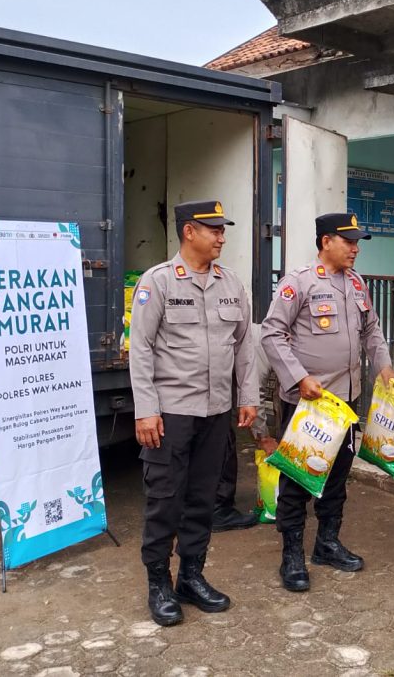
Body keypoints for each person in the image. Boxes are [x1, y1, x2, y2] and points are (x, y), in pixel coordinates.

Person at [130, 200, 258, 627]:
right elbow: (141, 349)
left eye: (223, 230)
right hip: (170, 414)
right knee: (165, 500)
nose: (222, 237)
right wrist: (145, 410)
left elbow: (244, 344)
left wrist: (248, 397)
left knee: (203, 500)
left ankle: (191, 576)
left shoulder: (231, 283)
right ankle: (158, 584)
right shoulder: (159, 282)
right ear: (189, 232)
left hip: (216, 412)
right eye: (214, 230)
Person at [261, 212, 394, 593]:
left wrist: (384, 367)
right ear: (325, 242)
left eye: (357, 242)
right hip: (309, 404)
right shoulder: (298, 284)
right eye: (348, 241)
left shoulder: (356, 284)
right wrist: (299, 377)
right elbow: (272, 334)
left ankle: (327, 543)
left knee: (336, 477)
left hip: (347, 402)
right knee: (299, 478)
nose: (355, 248)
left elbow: (372, 330)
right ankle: (291, 554)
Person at [212, 324, 278, 532]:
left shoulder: (272, 340)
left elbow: (279, 395)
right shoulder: (263, 346)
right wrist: (263, 437)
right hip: (209, 392)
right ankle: (219, 511)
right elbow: (252, 395)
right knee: (223, 445)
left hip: (211, 386)